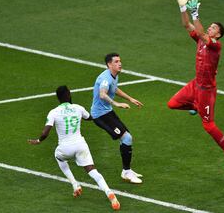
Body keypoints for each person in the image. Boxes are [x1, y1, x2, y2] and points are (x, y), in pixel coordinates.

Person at [168, 0, 224, 172]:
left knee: (208, 125)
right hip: (195, 85)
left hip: (206, 91)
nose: (210, 28)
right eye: (211, 26)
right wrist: (182, 7)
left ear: (219, 35)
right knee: (172, 104)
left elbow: (201, 33)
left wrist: (196, 14)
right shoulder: (202, 39)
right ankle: (194, 106)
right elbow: (186, 25)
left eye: (214, 28)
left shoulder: (215, 45)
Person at [28, 85, 120, 210]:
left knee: (58, 156)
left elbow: (45, 133)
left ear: (58, 98)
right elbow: (90, 118)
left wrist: (38, 140)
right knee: (92, 171)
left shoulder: (54, 112)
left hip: (65, 148)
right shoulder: (78, 108)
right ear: (69, 95)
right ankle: (109, 193)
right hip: (80, 145)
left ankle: (75, 184)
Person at [91, 53, 144, 184]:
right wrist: (116, 104)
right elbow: (102, 94)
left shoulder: (114, 76)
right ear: (109, 64)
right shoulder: (105, 79)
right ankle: (126, 171)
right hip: (100, 116)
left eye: (120, 61)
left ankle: (127, 170)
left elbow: (114, 89)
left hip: (107, 112)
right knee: (127, 138)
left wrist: (130, 99)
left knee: (126, 138)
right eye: (116, 62)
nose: (119, 64)